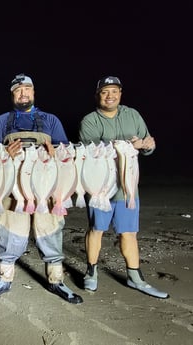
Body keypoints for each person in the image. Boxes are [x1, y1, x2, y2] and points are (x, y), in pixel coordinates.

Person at [0, 73, 83, 304]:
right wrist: (3, 153)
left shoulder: (50, 120)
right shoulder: (1, 122)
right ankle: (4, 279)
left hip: (45, 188)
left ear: (34, 92)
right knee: (10, 233)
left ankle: (56, 280)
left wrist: (55, 152)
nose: (23, 93)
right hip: (12, 188)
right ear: (12, 94)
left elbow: (65, 154)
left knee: (50, 231)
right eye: (18, 90)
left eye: (27, 89)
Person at [78, 76, 169, 299]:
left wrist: (149, 145)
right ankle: (91, 272)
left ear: (120, 93)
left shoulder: (133, 115)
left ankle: (135, 276)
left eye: (114, 91)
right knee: (96, 229)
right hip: (100, 187)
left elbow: (146, 144)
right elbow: (92, 152)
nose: (110, 96)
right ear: (97, 95)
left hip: (127, 188)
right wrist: (130, 145)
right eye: (105, 92)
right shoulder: (89, 121)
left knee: (129, 232)